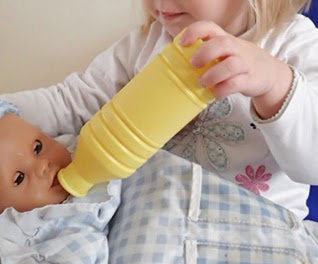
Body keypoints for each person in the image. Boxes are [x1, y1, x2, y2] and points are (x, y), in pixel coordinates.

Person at [1, 0, 317, 219]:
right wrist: (7, 107)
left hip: (258, 233)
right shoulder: (149, 42)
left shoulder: (294, 45)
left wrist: (275, 84)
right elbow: (71, 101)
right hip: (152, 227)